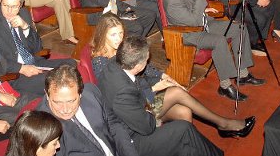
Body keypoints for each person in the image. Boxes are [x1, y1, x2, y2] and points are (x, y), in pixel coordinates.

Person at [91, 15, 254, 136]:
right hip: (136, 108)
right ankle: (223, 124)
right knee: (177, 92)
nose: (119, 38)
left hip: (145, 94)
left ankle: (187, 144)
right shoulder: (101, 62)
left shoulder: (122, 48)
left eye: (120, 33)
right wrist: (155, 88)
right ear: (103, 35)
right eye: (113, 35)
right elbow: (122, 95)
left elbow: (146, 68)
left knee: (184, 111)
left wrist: (164, 77)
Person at [97, 35, 228, 156]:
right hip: (133, 139)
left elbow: (140, 85)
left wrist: (156, 87)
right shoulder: (122, 92)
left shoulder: (116, 63)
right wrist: (151, 101)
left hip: (137, 112)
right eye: (147, 60)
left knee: (183, 111)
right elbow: (147, 127)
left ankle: (211, 136)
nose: (148, 61)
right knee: (184, 128)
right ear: (138, 66)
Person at [164, 0, 263, 102]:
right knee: (219, 41)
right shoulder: (172, 0)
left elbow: (190, 10)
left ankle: (243, 74)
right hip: (189, 33)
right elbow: (193, 22)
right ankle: (225, 86)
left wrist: (204, 10)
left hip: (203, 23)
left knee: (239, 28)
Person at [0, 0, 76, 95]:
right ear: (0, 1)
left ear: (21, 4)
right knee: (55, 82)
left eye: (14, 6)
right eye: (5, 5)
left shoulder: (24, 13)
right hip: (14, 74)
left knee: (70, 64)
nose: (9, 11)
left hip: (34, 62)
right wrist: (21, 68)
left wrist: (25, 27)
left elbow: (37, 48)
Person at [37, 64, 140, 156]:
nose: (65, 109)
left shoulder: (91, 92)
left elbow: (113, 124)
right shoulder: (42, 127)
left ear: (80, 94)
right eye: (57, 102)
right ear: (47, 95)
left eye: (71, 101)